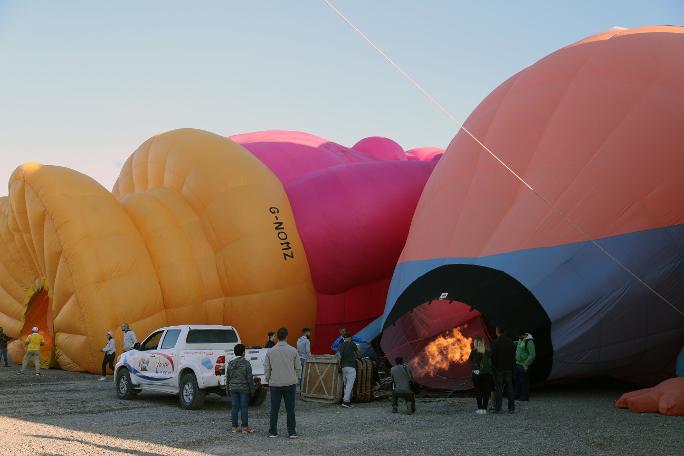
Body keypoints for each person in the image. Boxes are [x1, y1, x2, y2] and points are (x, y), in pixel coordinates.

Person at [264, 327, 301, 439]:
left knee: (274, 409)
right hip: (290, 383)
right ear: (287, 336)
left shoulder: (270, 351)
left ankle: (273, 431)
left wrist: (268, 378)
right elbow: (298, 367)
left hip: (275, 383)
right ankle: (292, 432)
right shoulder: (293, 350)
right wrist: (297, 378)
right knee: (290, 409)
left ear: (277, 337)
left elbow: (267, 368)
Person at [227, 343, 255, 434]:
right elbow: (249, 378)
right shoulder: (246, 363)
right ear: (243, 353)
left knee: (234, 407)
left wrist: (227, 389)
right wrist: (252, 390)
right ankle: (244, 427)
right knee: (244, 407)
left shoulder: (230, 363)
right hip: (243, 388)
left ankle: (234, 427)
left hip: (233, 388)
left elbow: (227, 378)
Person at [491, 326, 516, 414]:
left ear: (497, 331)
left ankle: (498, 408)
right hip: (509, 369)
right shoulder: (510, 342)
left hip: (498, 369)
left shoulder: (495, 342)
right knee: (510, 388)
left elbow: (493, 357)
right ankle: (511, 408)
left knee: (498, 389)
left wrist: (493, 368)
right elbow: (513, 355)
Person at [469, 336, 493, 414]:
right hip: (487, 374)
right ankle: (484, 409)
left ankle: (480, 409)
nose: (473, 344)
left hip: (476, 374)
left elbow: (470, 360)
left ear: (476, 343)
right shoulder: (488, 351)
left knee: (478, 391)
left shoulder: (474, 351)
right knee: (486, 392)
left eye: (474, 342)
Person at [338, 332, 359, 408]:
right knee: (350, 385)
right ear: (350, 338)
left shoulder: (340, 346)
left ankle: (346, 400)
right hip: (351, 366)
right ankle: (346, 402)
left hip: (343, 367)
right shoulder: (352, 344)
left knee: (346, 385)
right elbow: (358, 352)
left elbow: (339, 356)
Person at [514, 331, 536, 401]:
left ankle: (524, 396)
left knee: (524, 381)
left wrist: (526, 364)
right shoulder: (521, 339)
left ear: (523, 335)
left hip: (524, 365)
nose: (519, 338)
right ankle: (517, 395)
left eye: (519, 336)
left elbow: (532, 355)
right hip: (518, 363)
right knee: (517, 380)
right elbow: (518, 343)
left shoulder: (529, 342)